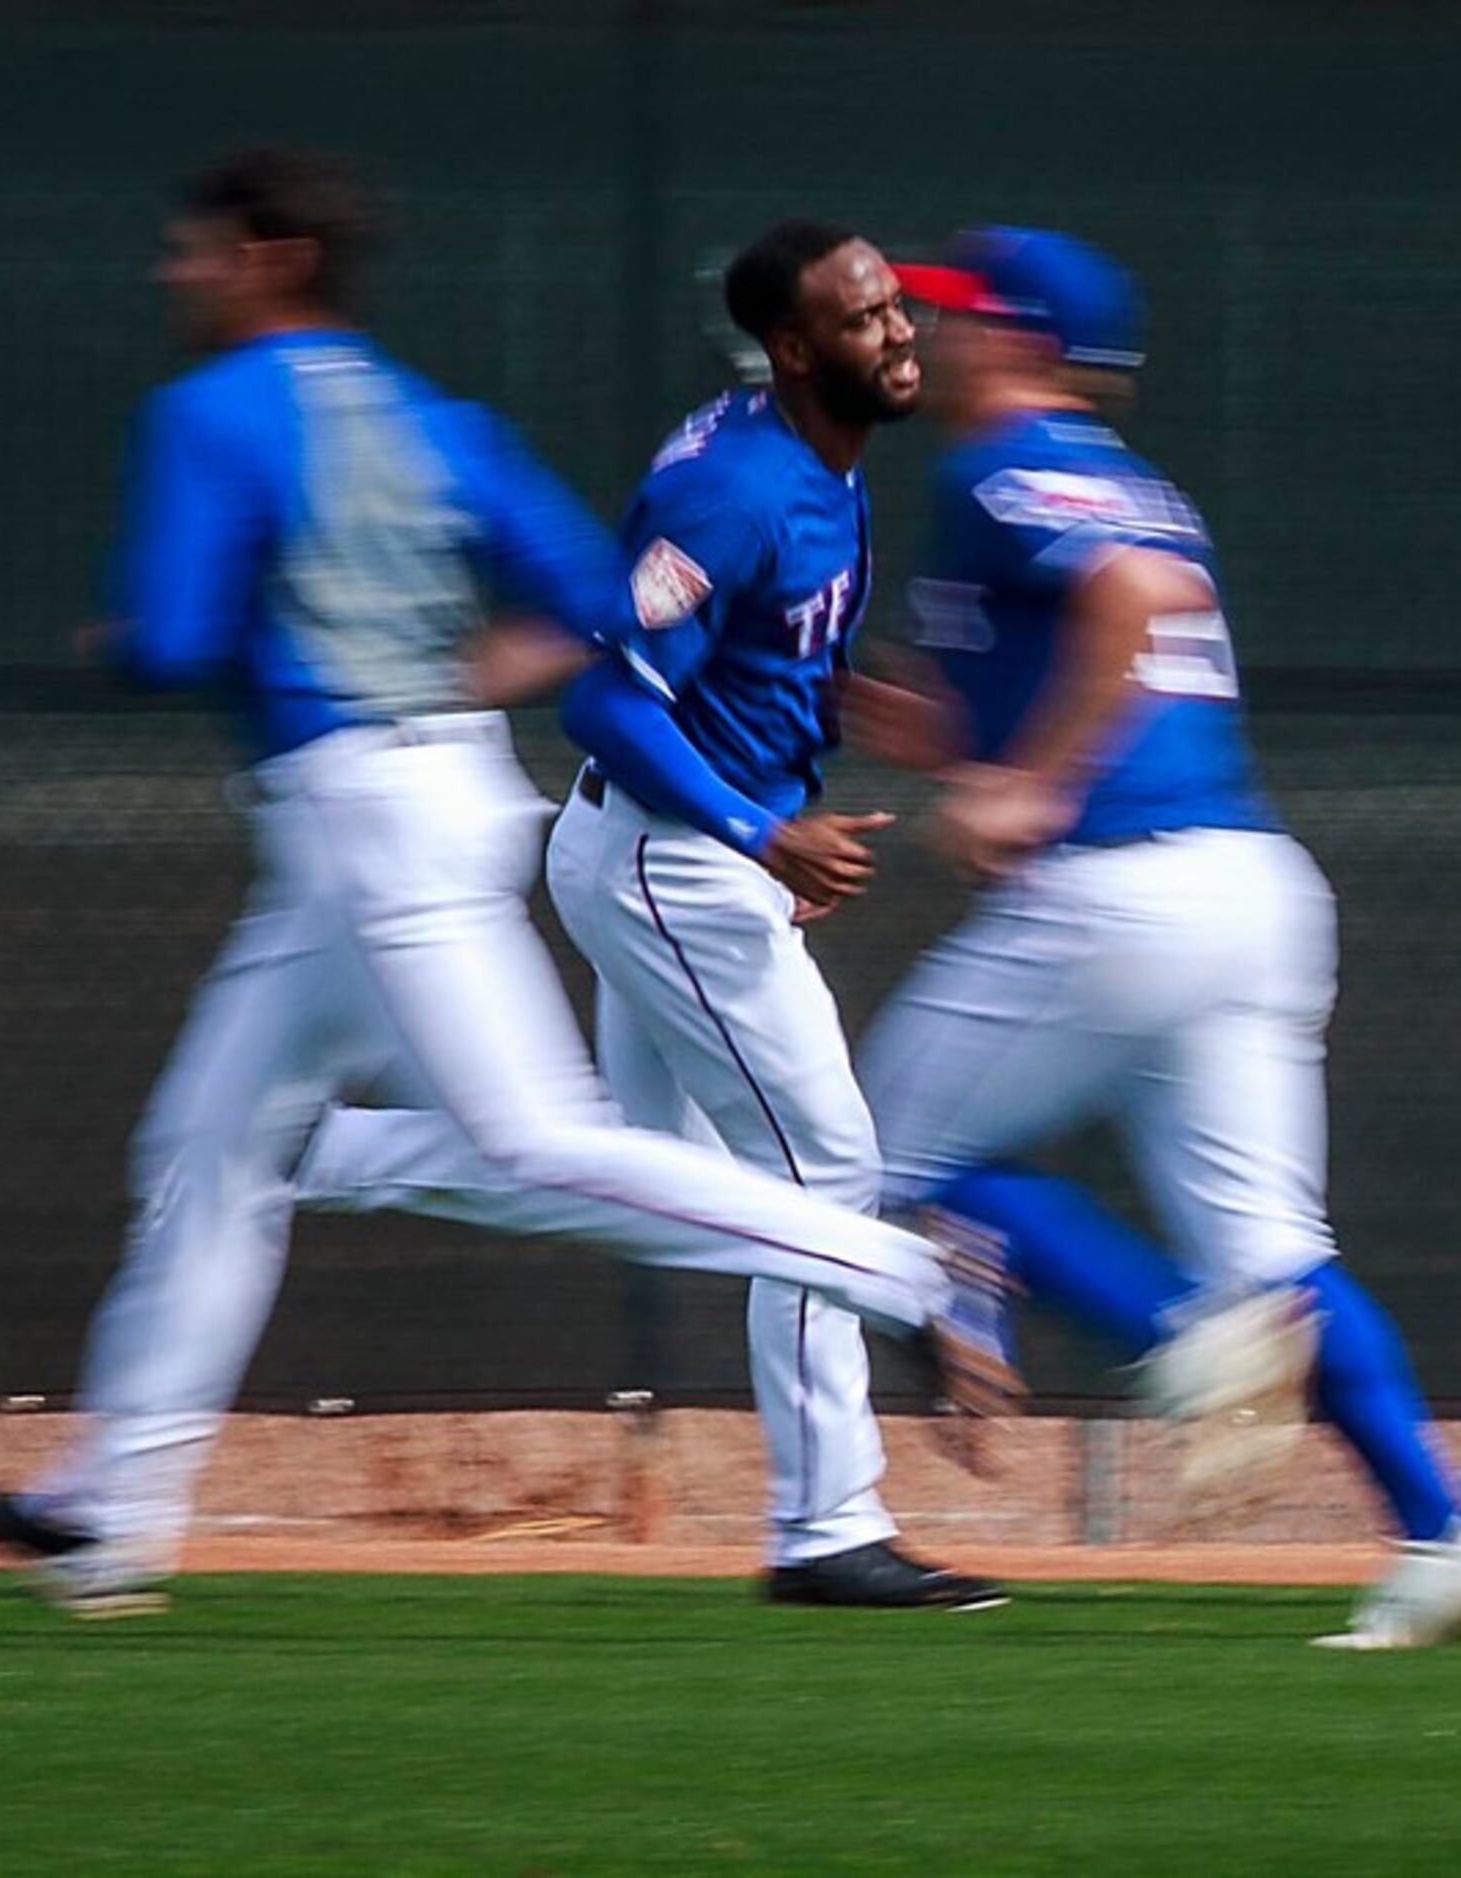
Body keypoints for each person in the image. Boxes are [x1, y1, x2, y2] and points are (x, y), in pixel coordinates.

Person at [0, 151, 1019, 1616]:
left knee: (562, 1151)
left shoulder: (213, 412)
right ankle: (110, 1512)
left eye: (192, 253)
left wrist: (125, 638)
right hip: (489, 815)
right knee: (243, 1151)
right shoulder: (443, 416)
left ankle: (878, 1289)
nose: (174, 276)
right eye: (872, 310)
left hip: (388, 815)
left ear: (266, 259)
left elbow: (184, 634)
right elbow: (595, 621)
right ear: (791, 344)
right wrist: (520, 705)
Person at [836, 226, 1461, 1649]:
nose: (931, 335)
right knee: (1280, 1256)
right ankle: (1443, 1533)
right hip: (1251, 890)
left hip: (1121, 897)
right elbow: (979, 707)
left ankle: (1186, 1348)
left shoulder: (1001, 461)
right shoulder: (1125, 479)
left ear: (1022, 341)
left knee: (864, 1163)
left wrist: (1039, 781)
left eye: (954, 315)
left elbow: (1135, 602)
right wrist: (882, 716)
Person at [291, 220, 999, 1610]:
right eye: (863, 318)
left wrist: (827, 749)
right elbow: (606, 694)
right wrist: (765, 831)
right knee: (819, 1179)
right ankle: (828, 1527)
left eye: (897, 306)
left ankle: (321, 1148)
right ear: (795, 349)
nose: (899, 330)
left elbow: (745, 662)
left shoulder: (811, 456)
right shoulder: (741, 486)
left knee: (626, 1173)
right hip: (672, 858)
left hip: (690, 852)